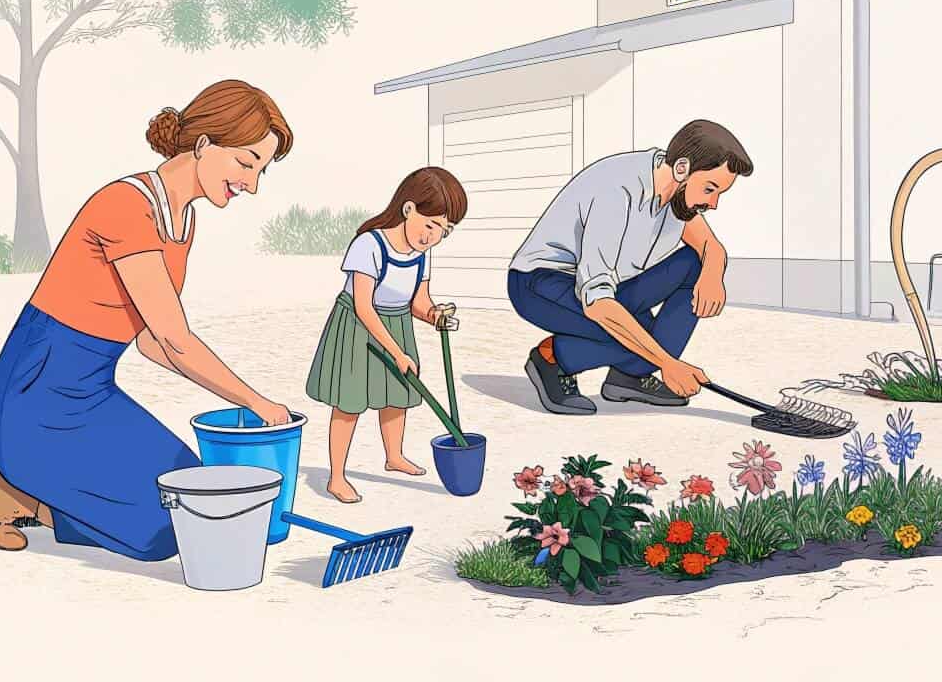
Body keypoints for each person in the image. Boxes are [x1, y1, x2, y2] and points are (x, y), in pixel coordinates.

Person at [0, 80, 295, 560]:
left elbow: (152, 342)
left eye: (261, 171)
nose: (251, 183)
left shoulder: (182, 221)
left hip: (91, 393)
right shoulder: (126, 206)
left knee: (192, 498)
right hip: (35, 398)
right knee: (164, 529)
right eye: (246, 162)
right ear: (205, 145)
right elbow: (175, 338)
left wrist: (244, 401)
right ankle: (15, 490)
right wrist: (255, 402)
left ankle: (20, 478)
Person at [508, 120, 753, 415]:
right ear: (682, 168)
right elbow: (597, 303)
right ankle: (551, 358)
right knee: (644, 344)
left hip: (607, 289)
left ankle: (629, 376)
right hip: (540, 282)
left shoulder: (676, 193)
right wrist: (667, 363)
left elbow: (709, 248)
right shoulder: (617, 192)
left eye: (718, 194)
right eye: (710, 189)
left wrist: (713, 273)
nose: (712, 204)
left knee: (693, 266)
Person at [305, 168, 468, 503]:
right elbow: (364, 307)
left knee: (397, 393)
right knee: (349, 402)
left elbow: (418, 303)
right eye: (430, 224)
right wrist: (396, 351)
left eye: (444, 231)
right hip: (357, 326)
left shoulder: (422, 255)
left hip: (396, 324)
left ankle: (394, 456)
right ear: (409, 209)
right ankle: (337, 477)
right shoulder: (370, 245)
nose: (432, 236)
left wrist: (435, 316)